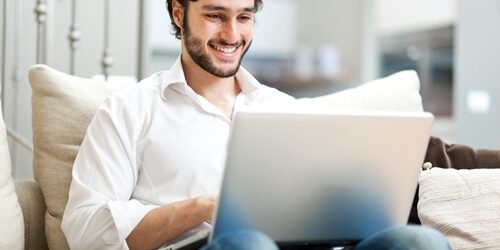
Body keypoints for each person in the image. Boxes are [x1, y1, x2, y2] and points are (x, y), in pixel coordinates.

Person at [60, 0, 496, 249]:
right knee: (249, 244)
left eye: (244, 16)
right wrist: (205, 207)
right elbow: (83, 229)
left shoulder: (283, 108)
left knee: (420, 243)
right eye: (215, 14)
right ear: (178, 12)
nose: (232, 33)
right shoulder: (129, 111)